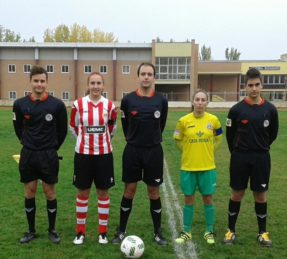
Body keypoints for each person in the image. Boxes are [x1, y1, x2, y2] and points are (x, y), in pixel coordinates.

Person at [112, 62, 168, 246]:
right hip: (133, 151)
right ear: (138, 76)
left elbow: (161, 125)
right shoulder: (128, 100)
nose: (146, 77)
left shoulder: (161, 100)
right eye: (143, 73)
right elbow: (126, 125)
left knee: (153, 191)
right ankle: (121, 230)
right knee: (130, 190)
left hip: (153, 151)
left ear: (154, 77)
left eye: (149, 74)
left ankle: (157, 232)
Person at [13, 65, 68, 244]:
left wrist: (51, 147)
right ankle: (30, 231)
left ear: (47, 82)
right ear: (30, 82)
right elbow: (18, 129)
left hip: (48, 155)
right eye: (36, 81)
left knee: (49, 192)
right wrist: (28, 143)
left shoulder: (57, 105)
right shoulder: (20, 104)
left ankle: (52, 230)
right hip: (29, 154)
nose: (39, 84)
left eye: (42, 81)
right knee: (29, 191)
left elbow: (62, 131)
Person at [224, 68, 279, 247]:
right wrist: (238, 152)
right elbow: (229, 135)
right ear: (244, 87)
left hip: (261, 158)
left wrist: (260, 147)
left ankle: (262, 233)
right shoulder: (236, 110)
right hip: (240, 157)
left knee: (260, 195)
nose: (254, 88)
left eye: (257, 85)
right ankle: (230, 231)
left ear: (261, 85)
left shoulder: (270, 110)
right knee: (237, 194)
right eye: (250, 85)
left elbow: (273, 133)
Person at [70, 72, 117, 245]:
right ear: (88, 85)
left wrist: (101, 143)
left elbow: (112, 128)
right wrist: (83, 142)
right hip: (83, 155)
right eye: (92, 83)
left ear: (103, 86)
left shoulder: (110, 106)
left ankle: (102, 232)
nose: (96, 86)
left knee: (103, 192)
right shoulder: (78, 104)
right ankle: (80, 232)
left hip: (104, 155)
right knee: (82, 192)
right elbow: (73, 126)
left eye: (99, 83)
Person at [173, 90, 223, 245]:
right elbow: (177, 139)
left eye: (203, 100)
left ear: (207, 103)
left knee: (208, 198)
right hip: (188, 167)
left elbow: (219, 138)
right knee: (188, 199)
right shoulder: (183, 121)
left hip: (207, 167)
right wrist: (188, 151)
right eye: (197, 99)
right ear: (192, 101)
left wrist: (208, 151)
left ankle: (209, 231)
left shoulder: (214, 120)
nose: (200, 102)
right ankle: (186, 231)